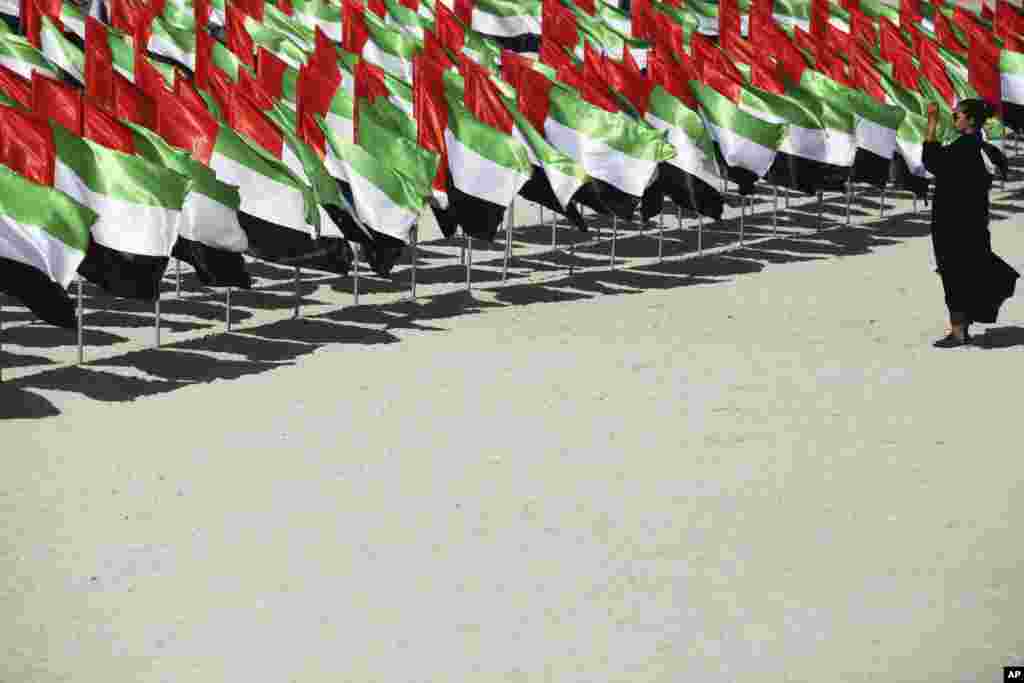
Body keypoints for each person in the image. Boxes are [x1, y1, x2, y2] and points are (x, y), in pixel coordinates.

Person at [922, 98, 1019, 348]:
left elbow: (932, 161)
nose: (954, 119)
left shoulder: (965, 147)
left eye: (956, 116)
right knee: (966, 271)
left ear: (971, 120)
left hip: (954, 223)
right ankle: (960, 327)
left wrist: (931, 123)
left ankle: (958, 332)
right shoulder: (981, 147)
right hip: (974, 222)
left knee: (954, 275)